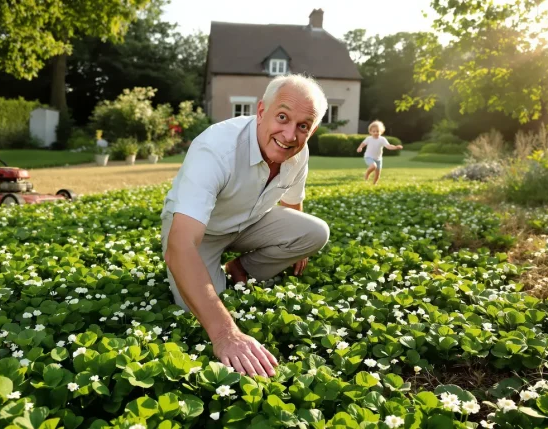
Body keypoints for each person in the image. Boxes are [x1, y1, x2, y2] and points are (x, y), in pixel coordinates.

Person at [160, 74, 331, 378]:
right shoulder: (216, 148)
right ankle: (219, 273)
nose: (290, 135)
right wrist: (225, 334)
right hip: (202, 233)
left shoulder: (298, 152)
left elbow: (292, 202)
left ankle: (240, 268)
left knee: (315, 232)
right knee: (192, 306)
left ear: (313, 129)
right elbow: (180, 246)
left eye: (303, 126)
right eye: (282, 117)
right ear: (262, 111)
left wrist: (296, 250)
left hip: (251, 221)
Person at [356, 120, 402, 185]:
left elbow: (388, 146)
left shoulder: (382, 139)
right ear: (370, 132)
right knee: (373, 166)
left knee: (377, 174)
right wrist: (360, 147)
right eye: (373, 131)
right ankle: (367, 173)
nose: (376, 133)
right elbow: (363, 143)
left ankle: (374, 184)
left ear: (381, 131)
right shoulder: (369, 138)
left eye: (377, 131)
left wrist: (396, 147)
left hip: (378, 159)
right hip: (369, 157)